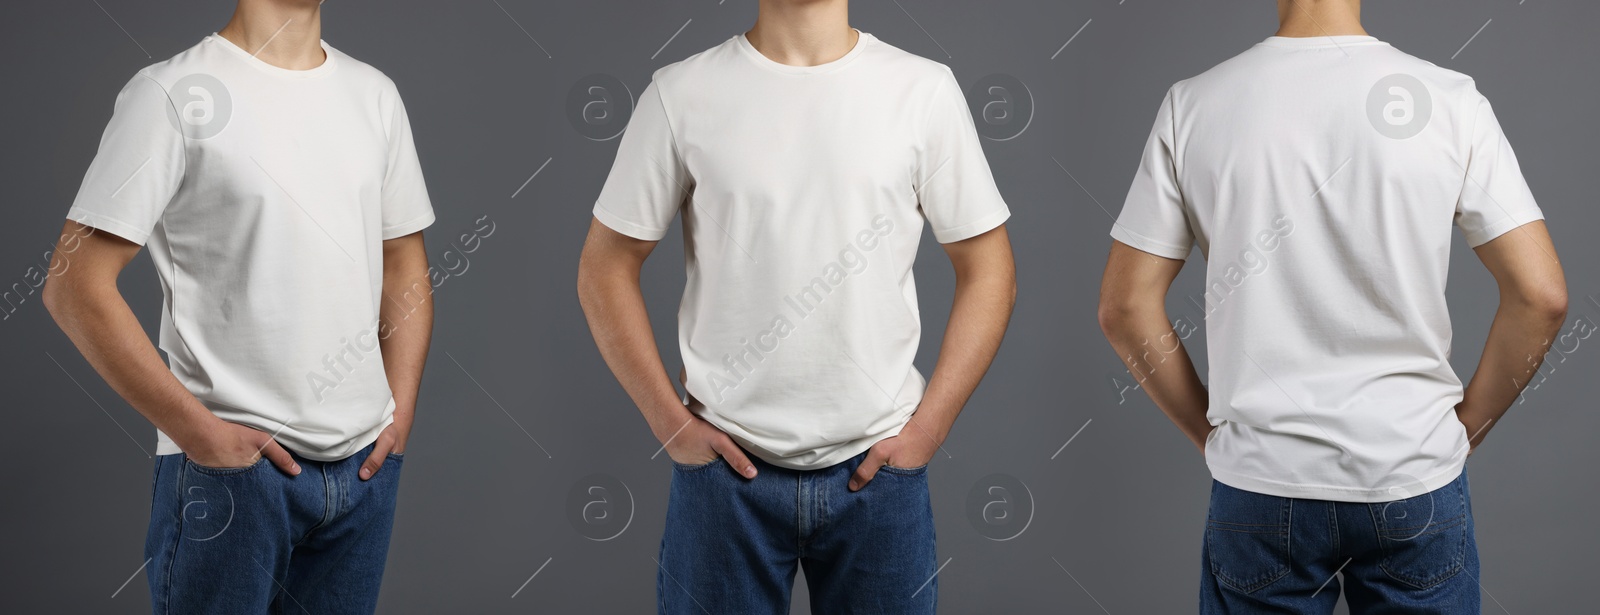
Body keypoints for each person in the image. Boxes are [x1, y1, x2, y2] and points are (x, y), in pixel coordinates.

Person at [1097, 0, 1568, 612]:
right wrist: (1461, 430)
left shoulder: (1194, 104)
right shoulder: (1450, 101)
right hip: (1412, 472)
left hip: (1262, 481)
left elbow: (1124, 308)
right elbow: (1543, 297)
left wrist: (1211, 437)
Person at [576, 0, 1016, 611]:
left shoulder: (923, 90)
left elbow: (989, 269)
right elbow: (605, 265)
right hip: (725, 477)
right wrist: (668, 423)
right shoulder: (681, 93)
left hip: (880, 469)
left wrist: (929, 428)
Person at [42, 0, 435, 612]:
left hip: (363, 472)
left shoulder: (374, 94)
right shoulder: (170, 93)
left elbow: (405, 261)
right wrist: (202, 437)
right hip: (232, 480)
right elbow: (74, 286)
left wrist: (399, 409)